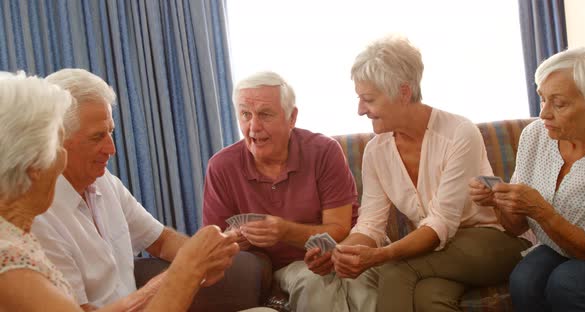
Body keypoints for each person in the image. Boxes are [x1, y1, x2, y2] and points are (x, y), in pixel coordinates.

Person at [29, 68, 271, 312]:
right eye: (97, 137)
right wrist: (186, 270)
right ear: (56, 140)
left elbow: (162, 241)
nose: (111, 149)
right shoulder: (37, 220)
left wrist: (208, 258)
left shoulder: (105, 182)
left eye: (110, 132)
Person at [320, 35, 531, 312]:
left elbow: (441, 222)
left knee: (396, 269)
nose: (360, 110)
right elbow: (370, 224)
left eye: (368, 99)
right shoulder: (376, 151)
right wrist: (340, 253)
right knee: (429, 296)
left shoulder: (458, 133)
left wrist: (380, 255)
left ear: (403, 93)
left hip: (492, 241)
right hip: (439, 251)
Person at [202, 71, 364, 311]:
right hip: (273, 269)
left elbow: (339, 229)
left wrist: (284, 231)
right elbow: (212, 244)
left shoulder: (324, 152)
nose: (253, 127)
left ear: (292, 117)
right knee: (314, 283)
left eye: (265, 114)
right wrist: (234, 241)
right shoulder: (222, 165)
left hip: (335, 256)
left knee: (367, 288)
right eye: (245, 115)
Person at [470, 47, 585, 311]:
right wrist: (498, 201)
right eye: (542, 99)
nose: (544, 113)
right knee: (524, 280)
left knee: (565, 282)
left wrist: (542, 211)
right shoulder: (535, 135)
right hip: (560, 246)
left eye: (559, 104)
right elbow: (515, 227)